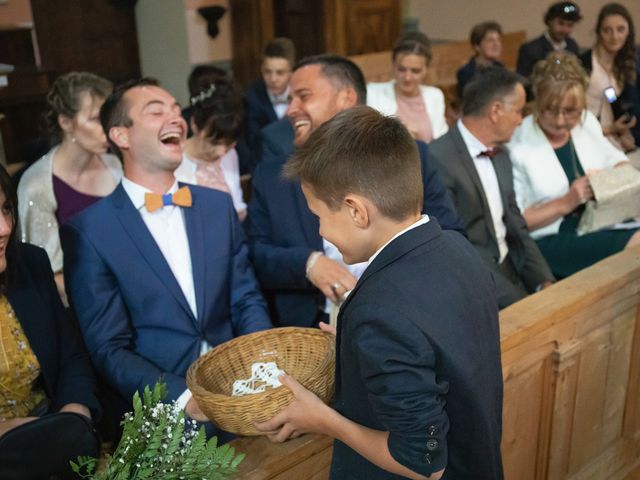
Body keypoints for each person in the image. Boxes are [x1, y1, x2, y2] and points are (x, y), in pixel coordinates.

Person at [256, 106, 504, 480]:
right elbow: (434, 342)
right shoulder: (456, 247)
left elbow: (423, 462)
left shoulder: (379, 311)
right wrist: (358, 349)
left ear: (357, 211)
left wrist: (322, 418)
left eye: (319, 215)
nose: (321, 231)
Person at [60, 78, 272, 438]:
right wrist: (184, 398)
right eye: (156, 111)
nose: (176, 118)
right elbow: (109, 347)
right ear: (121, 136)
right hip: (165, 416)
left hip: (244, 396)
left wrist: (262, 365)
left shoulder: (216, 206)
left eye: (177, 110)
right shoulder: (90, 231)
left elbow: (246, 297)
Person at [246, 54, 465, 329]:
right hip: (311, 326)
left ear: (346, 98)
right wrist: (308, 264)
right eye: (290, 100)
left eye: (303, 96)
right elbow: (255, 253)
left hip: (405, 311)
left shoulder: (409, 156)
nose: (291, 110)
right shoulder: (272, 175)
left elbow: (449, 232)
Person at [0, 164, 100, 478]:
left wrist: (75, 412)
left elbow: (71, 358)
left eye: (5, 208)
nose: (4, 227)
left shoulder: (30, 263)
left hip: (51, 434)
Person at [430, 68, 554, 308]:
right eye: (518, 111)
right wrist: (520, 303)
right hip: (471, 282)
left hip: (511, 267)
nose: (521, 120)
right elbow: (454, 246)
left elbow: (517, 227)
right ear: (496, 111)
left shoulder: (502, 155)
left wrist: (544, 282)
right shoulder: (438, 158)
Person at [508, 52, 640, 278]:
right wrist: (568, 201)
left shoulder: (586, 121)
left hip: (599, 221)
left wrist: (608, 178)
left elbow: (618, 160)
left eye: (570, 111)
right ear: (537, 102)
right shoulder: (517, 143)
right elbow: (517, 222)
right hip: (552, 237)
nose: (560, 121)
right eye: (549, 110)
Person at [17, 72, 122, 303]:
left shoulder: (116, 165)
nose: (107, 126)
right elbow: (47, 275)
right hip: (80, 305)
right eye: (96, 119)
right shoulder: (38, 185)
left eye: (109, 116)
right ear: (66, 122)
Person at [175, 76, 247, 220]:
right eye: (214, 143)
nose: (221, 152)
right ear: (195, 124)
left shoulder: (230, 155)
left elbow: (238, 206)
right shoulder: (175, 162)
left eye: (229, 144)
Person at [580, 3, 640, 158]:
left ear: (629, 31)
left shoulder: (625, 62)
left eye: (621, 29)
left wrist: (623, 131)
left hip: (613, 139)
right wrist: (610, 129)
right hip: (585, 137)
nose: (615, 37)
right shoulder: (584, 63)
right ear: (599, 32)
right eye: (607, 30)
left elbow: (613, 102)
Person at [367, 32, 448, 142]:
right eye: (401, 69)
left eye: (415, 71)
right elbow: (368, 136)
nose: (407, 77)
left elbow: (442, 139)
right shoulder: (374, 93)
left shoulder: (435, 95)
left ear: (426, 70)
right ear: (393, 66)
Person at [244, 38, 296, 145]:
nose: (273, 79)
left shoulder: (302, 93)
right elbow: (254, 141)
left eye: (280, 73)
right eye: (267, 72)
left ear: (292, 72)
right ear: (261, 69)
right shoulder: (251, 98)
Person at [516, 1, 582, 78]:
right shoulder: (530, 49)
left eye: (570, 25)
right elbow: (522, 81)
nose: (565, 30)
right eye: (560, 23)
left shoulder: (572, 46)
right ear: (549, 21)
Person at [456, 21, 505, 99]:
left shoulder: (500, 68)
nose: (496, 44)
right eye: (490, 41)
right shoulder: (466, 72)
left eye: (498, 40)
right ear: (477, 46)